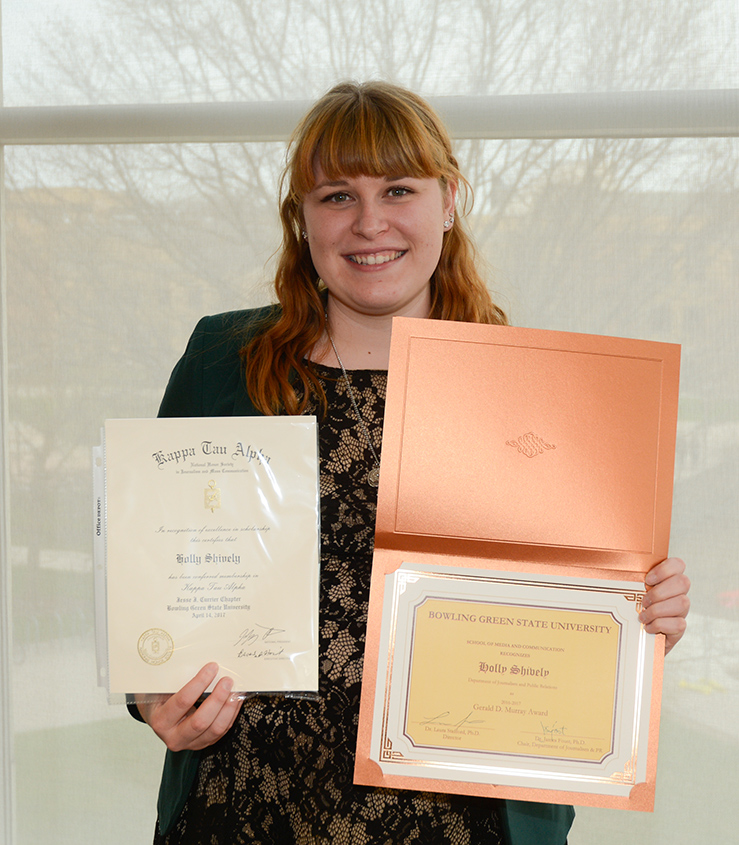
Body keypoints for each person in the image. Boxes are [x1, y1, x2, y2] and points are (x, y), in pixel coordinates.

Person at [132, 81, 691, 845]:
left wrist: (636, 618)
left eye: (398, 189)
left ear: (448, 200)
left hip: (463, 822)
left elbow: (571, 626)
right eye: (336, 195)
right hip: (244, 807)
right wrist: (152, 691)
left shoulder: (538, 390)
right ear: (301, 218)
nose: (369, 222)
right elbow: (155, 577)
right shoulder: (220, 361)